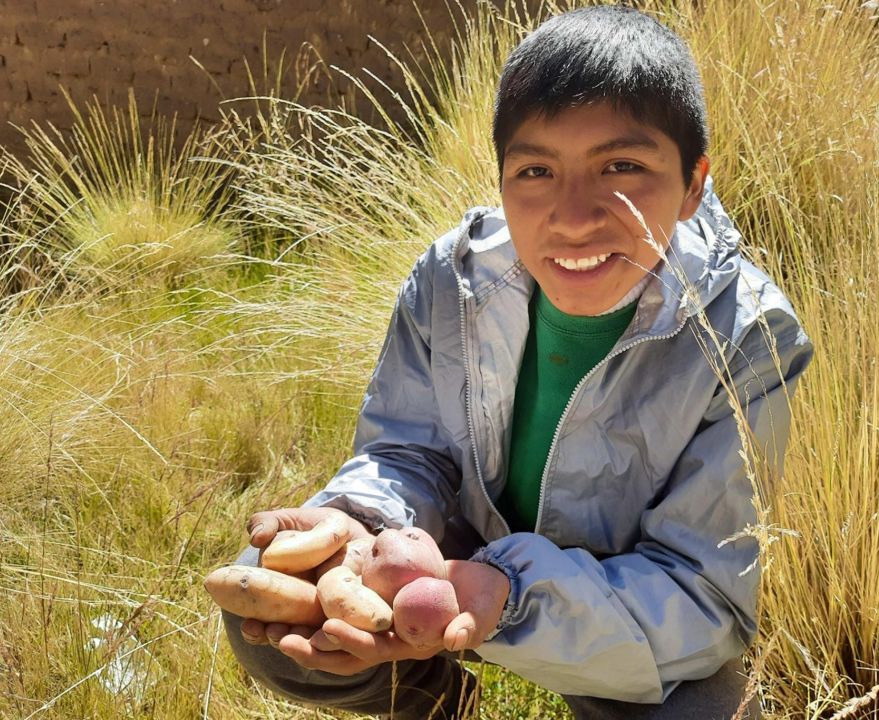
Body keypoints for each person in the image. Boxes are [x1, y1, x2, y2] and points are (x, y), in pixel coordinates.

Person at [216, 5, 814, 719]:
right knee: (277, 599)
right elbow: (410, 449)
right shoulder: (453, 278)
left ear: (692, 185)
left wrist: (510, 598)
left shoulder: (749, 336)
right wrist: (365, 523)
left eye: (623, 167)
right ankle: (438, 700)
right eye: (536, 170)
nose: (573, 214)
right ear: (500, 178)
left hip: (616, 599)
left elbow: (702, 594)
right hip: (453, 561)